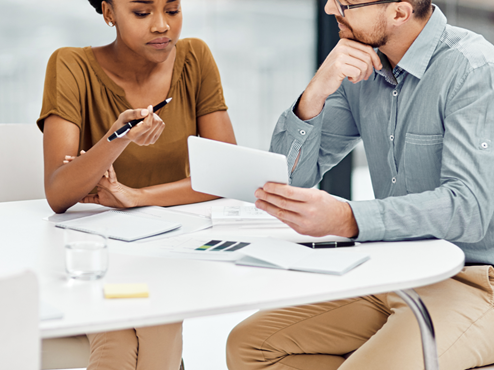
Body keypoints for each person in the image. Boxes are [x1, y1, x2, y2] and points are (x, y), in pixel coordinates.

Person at [226, 0, 494, 369]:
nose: (329, 9)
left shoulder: (473, 68)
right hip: (396, 270)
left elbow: (470, 209)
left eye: (346, 4)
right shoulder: (360, 67)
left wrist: (348, 218)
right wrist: (317, 90)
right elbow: (287, 178)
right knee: (249, 346)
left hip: (476, 282)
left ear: (399, 12)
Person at [37, 0, 236, 369]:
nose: (162, 25)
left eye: (172, 10)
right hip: (92, 255)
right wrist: (118, 138)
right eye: (142, 13)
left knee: (152, 320)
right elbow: (59, 194)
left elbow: (225, 175)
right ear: (109, 13)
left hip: (169, 252)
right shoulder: (70, 65)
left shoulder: (195, 58)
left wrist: (135, 197)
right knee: (122, 332)